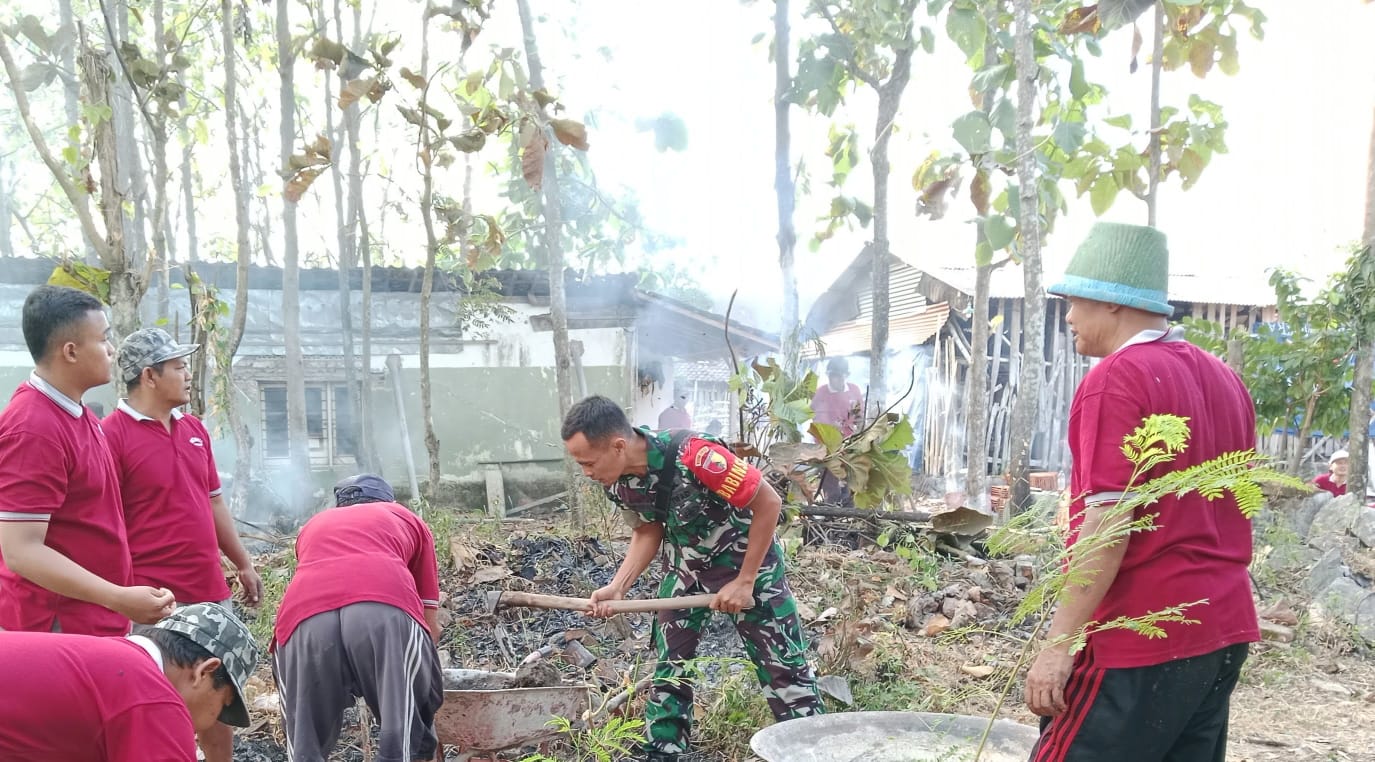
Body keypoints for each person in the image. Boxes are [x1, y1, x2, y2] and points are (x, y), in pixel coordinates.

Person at [1030, 222, 1258, 761]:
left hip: (1141, 634)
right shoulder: (1225, 378)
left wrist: (1059, 645)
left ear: (1112, 302)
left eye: (1074, 301)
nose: (1067, 317)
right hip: (1223, 630)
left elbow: (1108, 523)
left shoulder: (1117, 377)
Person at [563, 395, 824, 762]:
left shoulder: (698, 456)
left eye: (588, 462)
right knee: (671, 662)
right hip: (687, 568)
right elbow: (648, 530)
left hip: (749, 567)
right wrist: (619, 586)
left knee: (783, 667)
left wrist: (746, 581)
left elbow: (769, 504)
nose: (586, 472)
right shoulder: (617, 480)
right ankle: (665, 749)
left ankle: (811, 749)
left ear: (618, 445)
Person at [103, 327, 265, 762]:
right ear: (149, 376)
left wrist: (242, 562)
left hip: (209, 594)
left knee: (218, 699)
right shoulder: (109, 436)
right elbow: (105, 522)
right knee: (152, 701)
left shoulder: (193, 429)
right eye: (178, 367)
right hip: (151, 600)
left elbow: (213, 502)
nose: (188, 374)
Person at [0, 285, 175, 635]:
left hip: (96, 618)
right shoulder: (34, 427)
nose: (112, 350)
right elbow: (21, 550)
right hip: (58, 626)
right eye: (104, 339)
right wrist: (117, 597)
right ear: (70, 351)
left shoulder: (82, 417)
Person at [272, 474, 443, 762]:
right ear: (388, 500)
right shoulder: (405, 517)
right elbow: (429, 620)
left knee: (304, 740)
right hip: (383, 608)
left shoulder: (313, 526)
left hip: (303, 619)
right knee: (403, 731)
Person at [0, 601, 260, 761]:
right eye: (222, 706)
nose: (214, 719)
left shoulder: (110, 661)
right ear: (204, 672)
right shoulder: (154, 699)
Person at [810, 357, 864, 506]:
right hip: (827, 450)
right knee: (831, 489)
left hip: (848, 447)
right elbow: (813, 416)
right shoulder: (821, 393)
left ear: (846, 375)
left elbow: (859, 416)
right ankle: (831, 516)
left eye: (839, 376)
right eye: (832, 376)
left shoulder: (853, 390)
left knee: (850, 488)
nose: (835, 380)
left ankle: (848, 520)